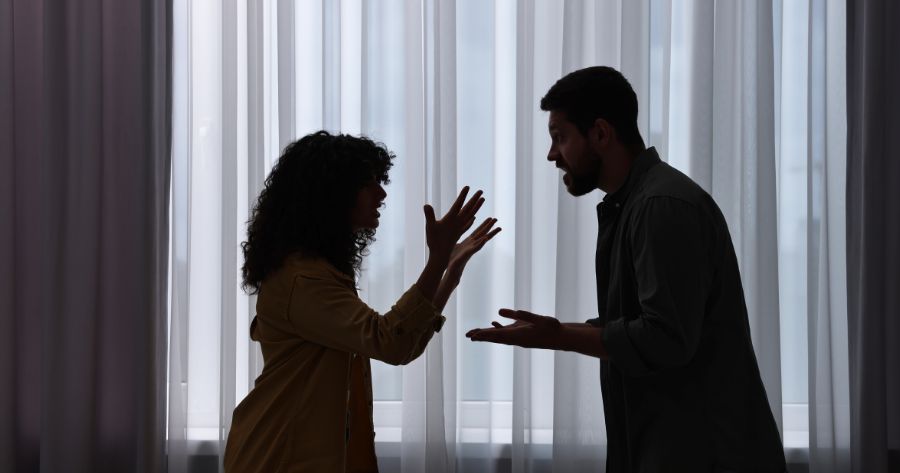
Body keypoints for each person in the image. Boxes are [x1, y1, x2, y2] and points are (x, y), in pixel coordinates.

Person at [466, 66, 787, 472]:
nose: (552, 155)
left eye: (559, 137)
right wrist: (554, 332)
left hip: (706, 454)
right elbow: (640, 326)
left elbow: (665, 338)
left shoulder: (660, 206)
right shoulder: (636, 204)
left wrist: (560, 336)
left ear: (600, 133)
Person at [224, 131, 501, 473]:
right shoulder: (303, 280)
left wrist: (449, 274)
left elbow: (402, 347)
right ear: (332, 193)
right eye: (368, 183)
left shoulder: (315, 271)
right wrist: (438, 261)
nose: (381, 193)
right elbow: (389, 341)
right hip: (278, 456)